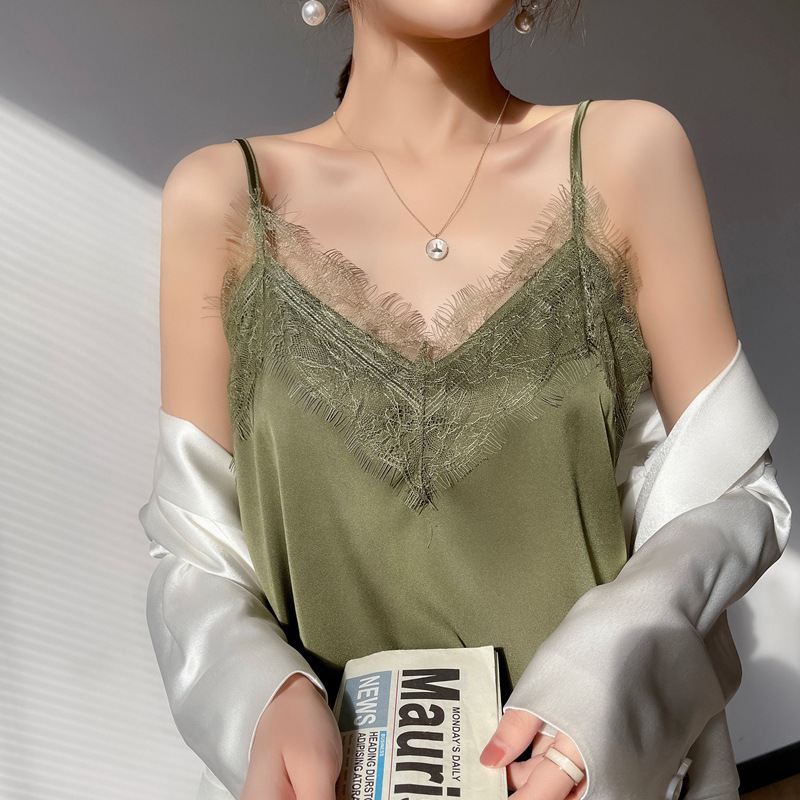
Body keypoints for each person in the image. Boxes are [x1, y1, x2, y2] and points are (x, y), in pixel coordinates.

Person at [139, 2, 792, 799]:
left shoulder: (625, 154)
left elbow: (732, 496)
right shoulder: (225, 196)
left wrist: (602, 686)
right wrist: (263, 699)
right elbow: (196, 546)